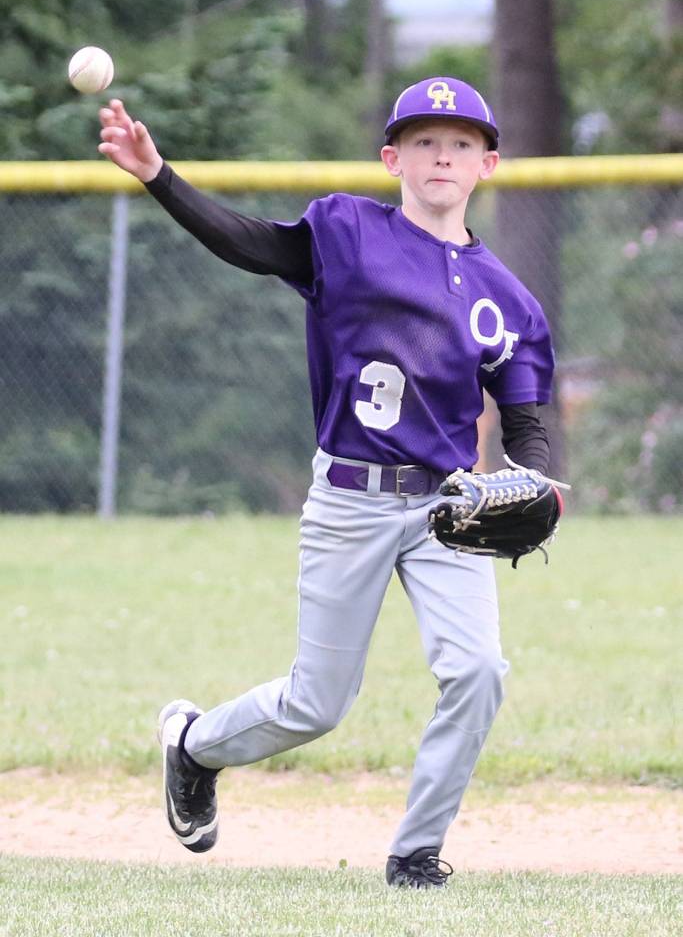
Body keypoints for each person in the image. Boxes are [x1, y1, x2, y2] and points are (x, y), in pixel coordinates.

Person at [98, 77, 555, 889]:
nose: (440, 155)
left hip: (448, 510)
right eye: (421, 141)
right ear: (391, 159)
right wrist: (158, 176)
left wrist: (533, 480)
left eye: (459, 143)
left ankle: (415, 853)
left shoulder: (508, 300)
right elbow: (249, 243)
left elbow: (523, 423)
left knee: (479, 671)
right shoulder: (347, 231)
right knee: (317, 703)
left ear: (487, 164)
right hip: (349, 497)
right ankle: (193, 746)